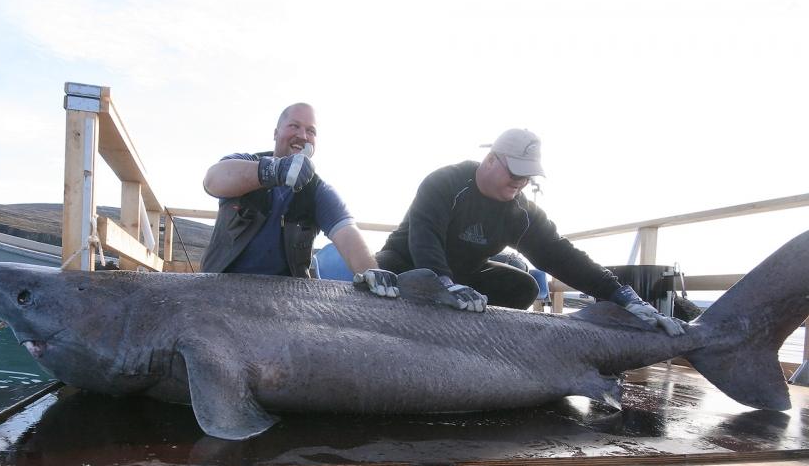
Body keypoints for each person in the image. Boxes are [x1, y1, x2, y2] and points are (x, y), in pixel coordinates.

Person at [373, 128, 683, 335]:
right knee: (388, 265)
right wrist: (442, 283)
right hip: (409, 265)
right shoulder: (446, 182)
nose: (520, 182)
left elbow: (560, 254)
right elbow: (424, 237)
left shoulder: (520, 212)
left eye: (527, 175)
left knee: (523, 286)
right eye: (515, 172)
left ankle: (467, 340)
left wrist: (622, 295)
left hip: (461, 279)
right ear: (491, 159)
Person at [201, 103, 397, 296]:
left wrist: (372, 271)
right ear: (276, 133)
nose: (303, 136)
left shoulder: (318, 192)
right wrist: (273, 170)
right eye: (294, 126)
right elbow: (212, 180)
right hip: (220, 291)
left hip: (286, 301)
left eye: (310, 131)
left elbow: (347, 234)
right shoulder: (243, 164)